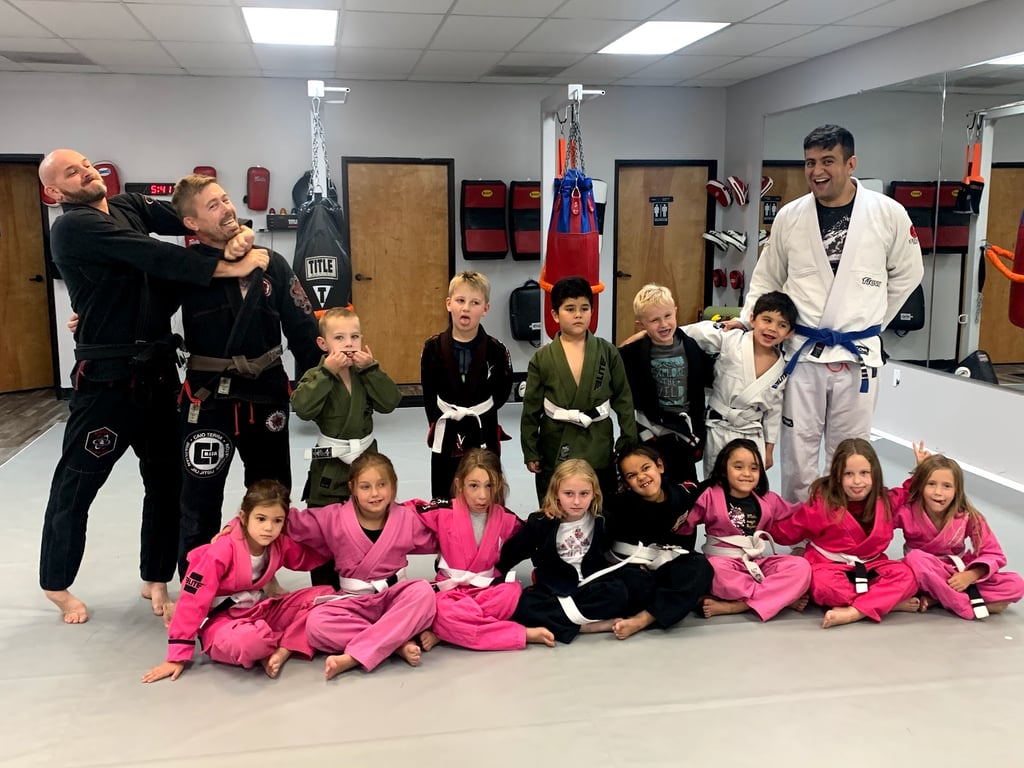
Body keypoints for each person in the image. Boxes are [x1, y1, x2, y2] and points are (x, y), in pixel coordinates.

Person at [37, 149, 266, 624]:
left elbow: (192, 215)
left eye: (85, 164)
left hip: (158, 373)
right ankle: (56, 584)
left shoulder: (127, 205)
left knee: (166, 481)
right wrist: (226, 267)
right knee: (78, 482)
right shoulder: (72, 226)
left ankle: (155, 576)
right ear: (55, 192)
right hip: (107, 380)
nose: (85, 173)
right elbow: (148, 253)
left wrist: (237, 230)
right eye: (71, 173)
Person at [734, 125, 924, 503]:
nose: (817, 171)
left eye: (827, 161)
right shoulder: (790, 216)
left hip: (858, 354)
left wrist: (872, 323)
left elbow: (909, 274)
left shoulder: (888, 213)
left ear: (851, 164)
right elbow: (767, 277)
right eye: (810, 162)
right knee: (797, 451)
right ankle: (798, 528)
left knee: (851, 454)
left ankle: (845, 527)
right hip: (804, 352)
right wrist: (747, 322)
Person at [170, 174, 322, 577]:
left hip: (266, 393)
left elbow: (304, 330)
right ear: (192, 223)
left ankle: (263, 577)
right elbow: (143, 315)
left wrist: (320, 391)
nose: (227, 208)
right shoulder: (183, 270)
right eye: (213, 205)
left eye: (225, 199)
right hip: (208, 399)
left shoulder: (272, 264)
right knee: (198, 500)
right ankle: (197, 585)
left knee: (272, 496)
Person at [141, 480, 333, 683]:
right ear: (243, 516)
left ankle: (281, 648)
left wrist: (339, 545)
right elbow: (192, 600)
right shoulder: (220, 551)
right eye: (261, 519)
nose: (268, 527)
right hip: (222, 621)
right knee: (249, 642)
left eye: (277, 521)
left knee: (325, 596)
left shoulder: (278, 543)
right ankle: (278, 642)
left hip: (261, 611)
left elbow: (306, 558)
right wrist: (176, 656)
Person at [284, 452, 438, 680]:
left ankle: (354, 656)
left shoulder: (407, 518)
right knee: (316, 624)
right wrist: (243, 522)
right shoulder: (333, 518)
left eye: (382, 485)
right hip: (353, 602)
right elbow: (291, 522)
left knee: (423, 592)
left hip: (395, 597)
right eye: (365, 487)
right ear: (352, 487)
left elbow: (446, 531)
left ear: (393, 485)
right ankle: (395, 643)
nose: (375, 493)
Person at [291, 306, 401, 589]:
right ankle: (325, 589)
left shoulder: (366, 372)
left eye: (354, 336)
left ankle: (367, 582)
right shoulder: (317, 375)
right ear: (323, 343)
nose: (349, 344)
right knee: (324, 532)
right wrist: (327, 373)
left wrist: (372, 369)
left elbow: (390, 402)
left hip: (366, 461)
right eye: (339, 338)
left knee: (369, 520)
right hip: (330, 467)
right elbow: (302, 408)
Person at [416, 449, 555, 651]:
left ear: (498, 485)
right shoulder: (442, 512)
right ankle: (521, 634)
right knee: (439, 608)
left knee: (511, 592)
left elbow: (530, 532)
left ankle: (446, 631)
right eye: (474, 486)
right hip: (451, 592)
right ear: (459, 484)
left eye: (489, 486)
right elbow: (403, 519)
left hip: (488, 589)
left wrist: (548, 516)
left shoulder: (505, 518)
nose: (482, 496)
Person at [771, 438, 918, 628]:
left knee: (907, 576)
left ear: (874, 474)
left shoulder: (886, 501)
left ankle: (854, 612)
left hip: (871, 565)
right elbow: (789, 530)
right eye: (849, 474)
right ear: (838, 476)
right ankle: (885, 603)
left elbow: (908, 492)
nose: (857, 481)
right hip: (830, 566)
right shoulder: (822, 505)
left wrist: (920, 470)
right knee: (822, 586)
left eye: (864, 473)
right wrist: (763, 520)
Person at [494, 459, 643, 644]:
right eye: (569, 494)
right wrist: (493, 578)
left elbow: (627, 541)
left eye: (584, 494)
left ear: (594, 494)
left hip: (593, 586)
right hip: (553, 589)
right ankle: (587, 626)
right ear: (556, 493)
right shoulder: (540, 523)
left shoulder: (602, 521)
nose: (577, 501)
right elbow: (511, 553)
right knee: (520, 606)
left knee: (622, 591)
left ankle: (563, 623)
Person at [521, 276, 637, 504]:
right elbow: (531, 409)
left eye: (584, 308)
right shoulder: (542, 358)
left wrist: (628, 438)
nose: (578, 314)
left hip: (597, 437)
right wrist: (530, 450)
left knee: (600, 502)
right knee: (556, 503)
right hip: (556, 440)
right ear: (555, 315)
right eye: (570, 309)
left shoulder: (607, 352)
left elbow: (623, 398)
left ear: (592, 311)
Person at [676, 439, 812, 621]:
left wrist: (824, 504)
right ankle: (780, 598)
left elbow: (798, 514)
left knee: (801, 567)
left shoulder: (768, 499)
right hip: (723, 564)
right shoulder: (709, 495)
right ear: (724, 469)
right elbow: (683, 524)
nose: (747, 474)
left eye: (754, 468)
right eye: (738, 467)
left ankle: (738, 605)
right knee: (712, 572)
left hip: (756, 562)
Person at [601, 445, 715, 639]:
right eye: (632, 475)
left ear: (660, 466)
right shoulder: (618, 506)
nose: (641, 477)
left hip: (668, 566)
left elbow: (713, 484)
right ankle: (674, 603)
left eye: (646, 468)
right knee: (627, 587)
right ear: (626, 484)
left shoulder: (682, 494)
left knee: (701, 567)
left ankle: (644, 619)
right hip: (635, 570)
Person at [895, 451, 1024, 619]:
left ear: (957, 490)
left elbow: (993, 553)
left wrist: (970, 575)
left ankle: (938, 598)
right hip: (920, 572)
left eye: (947, 486)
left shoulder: (968, 516)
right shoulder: (907, 511)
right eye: (931, 484)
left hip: (955, 575)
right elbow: (879, 528)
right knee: (915, 558)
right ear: (920, 486)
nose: (938, 492)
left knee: (1016, 583)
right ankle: (964, 603)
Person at [681, 292, 797, 475]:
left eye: (782, 325)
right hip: (718, 427)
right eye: (767, 320)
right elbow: (692, 332)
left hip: (752, 432)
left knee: (748, 483)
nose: (772, 329)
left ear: (789, 333)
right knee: (716, 483)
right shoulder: (731, 339)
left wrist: (769, 449)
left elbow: (773, 411)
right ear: (752, 319)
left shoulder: (781, 368)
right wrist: (650, 333)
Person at [420, 271, 513, 500]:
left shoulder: (497, 350)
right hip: (447, 424)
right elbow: (429, 392)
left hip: (482, 424)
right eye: (460, 300)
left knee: (485, 488)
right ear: (448, 304)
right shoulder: (432, 348)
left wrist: (481, 411)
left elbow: (502, 391)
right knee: (444, 489)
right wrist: (437, 420)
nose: (466, 308)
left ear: (485, 309)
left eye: (475, 303)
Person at [618, 284, 715, 493]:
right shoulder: (633, 353)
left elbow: (713, 373)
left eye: (668, 316)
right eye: (654, 320)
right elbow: (610, 361)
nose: (663, 324)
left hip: (685, 430)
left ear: (675, 311)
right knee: (652, 486)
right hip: (651, 430)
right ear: (641, 324)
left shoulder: (692, 347)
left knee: (687, 487)